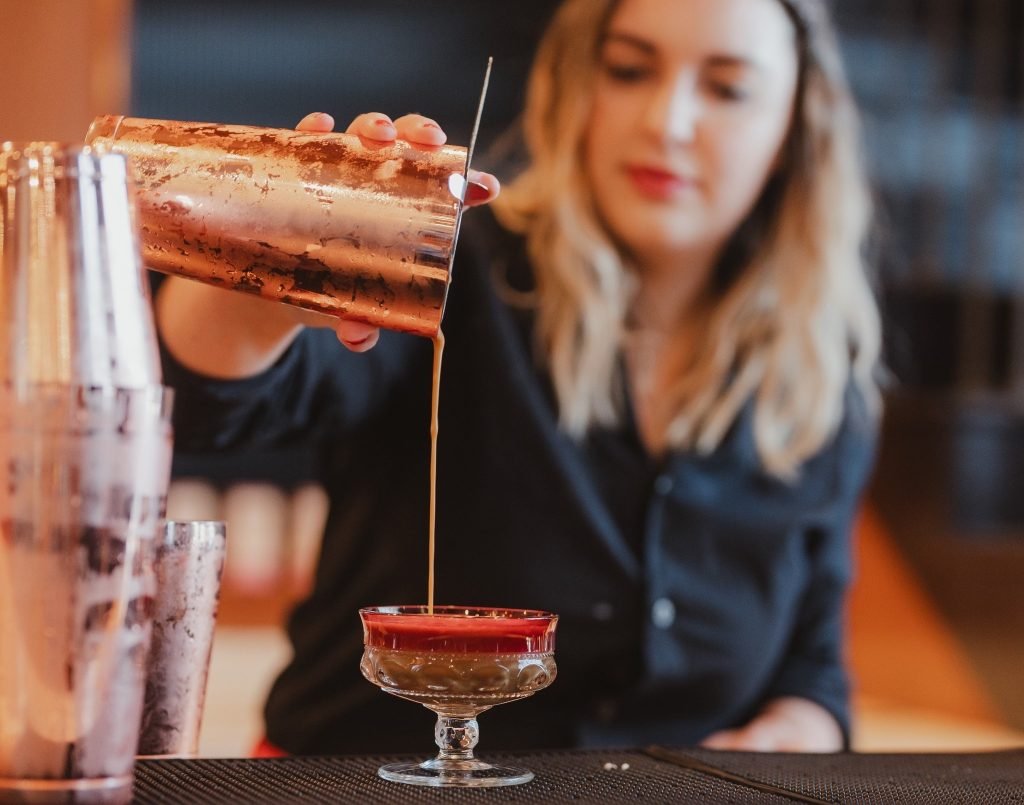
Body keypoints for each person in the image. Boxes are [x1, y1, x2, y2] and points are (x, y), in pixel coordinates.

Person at [158, 0, 881, 754]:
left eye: (727, 88)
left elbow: (813, 669)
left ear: (795, 132)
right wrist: (265, 271)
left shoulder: (817, 376)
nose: (666, 122)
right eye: (629, 70)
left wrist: (792, 735)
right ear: (577, 87)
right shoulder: (454, 268)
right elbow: (207, 399)